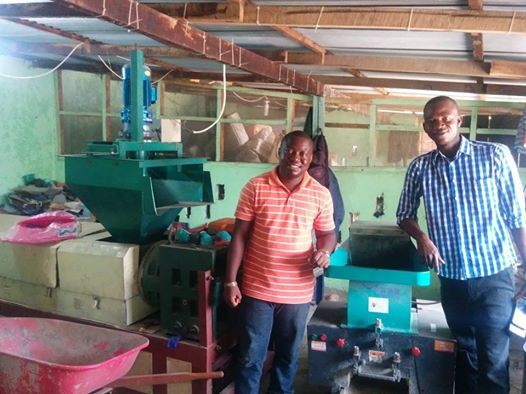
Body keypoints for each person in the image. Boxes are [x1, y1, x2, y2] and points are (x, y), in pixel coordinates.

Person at [396, 95, 526, 394]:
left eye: (444, 118)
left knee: (493, 358)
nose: (438, 124)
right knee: (465, 354)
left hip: (494, 276)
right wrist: (422, 237)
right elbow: (403, 214)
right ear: (425, 127)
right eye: (431, 121)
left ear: (459, 120)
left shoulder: (494, 155)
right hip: (452, 276)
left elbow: (517, 216)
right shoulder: (420, 168)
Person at [223, 130, 337, 394]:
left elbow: (328, 233)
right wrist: (230, 281)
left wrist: (325, 251)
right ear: (279, 151)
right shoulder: (255, 186)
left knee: (287, 356)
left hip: (297, 292)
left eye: (303, 153)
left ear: (311, 158)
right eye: (290, 150)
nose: (295, 158)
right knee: (251, 356)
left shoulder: (320, 194)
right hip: (257, 288)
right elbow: (239, 236)